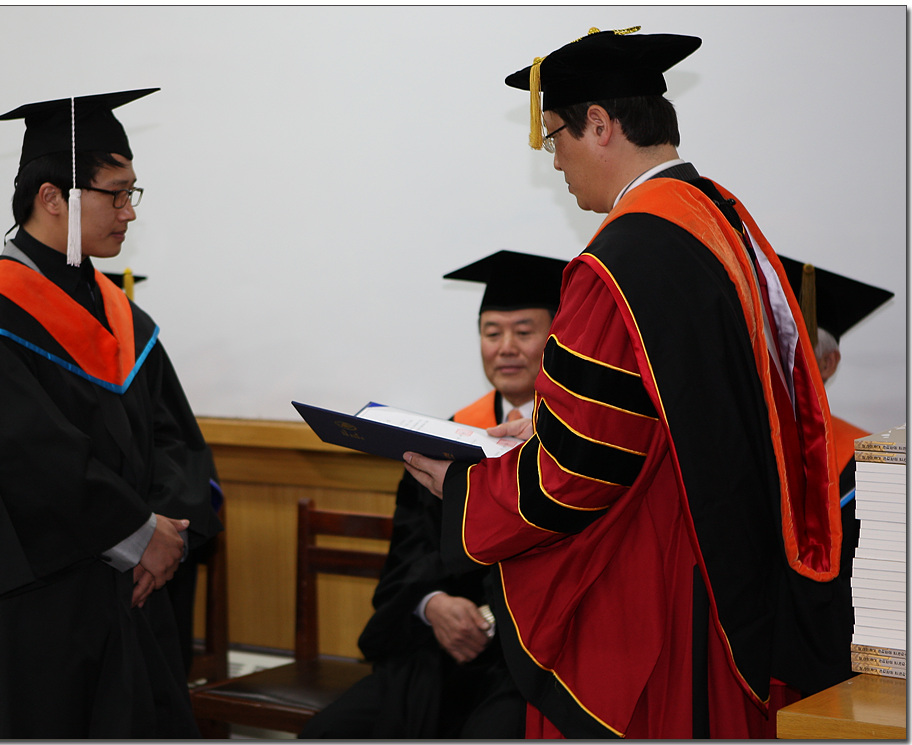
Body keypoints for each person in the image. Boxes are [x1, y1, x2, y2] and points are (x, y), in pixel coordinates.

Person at [403, 27, 846, 738]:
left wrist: (463, 487)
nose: (555, 161)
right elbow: (670, 403)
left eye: (555, 138)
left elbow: (582, 468)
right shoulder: (720, 216)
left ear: (600, 124)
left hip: (666, 570)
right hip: (735, 553)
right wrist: (547, 421)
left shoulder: (622, 257)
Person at [0, 88, 223, 738]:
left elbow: (177, 441)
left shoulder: (123, 318)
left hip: (139, 597)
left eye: (133, 193)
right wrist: (140, 535)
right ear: (53, 196)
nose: (129, 212)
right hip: (47, 618)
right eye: (116, 193)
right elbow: (28, 464)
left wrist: (167, 536)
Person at [301, 250, 564, 738]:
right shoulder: (445, 440)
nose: (506, 348)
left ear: (556, 337)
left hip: (531, 664)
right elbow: (408, 554)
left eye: (524, 332)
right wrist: (432, 603)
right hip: (437, 653)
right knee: (329, 733)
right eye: (492, 333)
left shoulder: (575, 446)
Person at [778, 256, 894, 681]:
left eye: (793, 349)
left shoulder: (873, 463)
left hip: (828, 685)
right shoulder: (731, 446)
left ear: (828, 364)